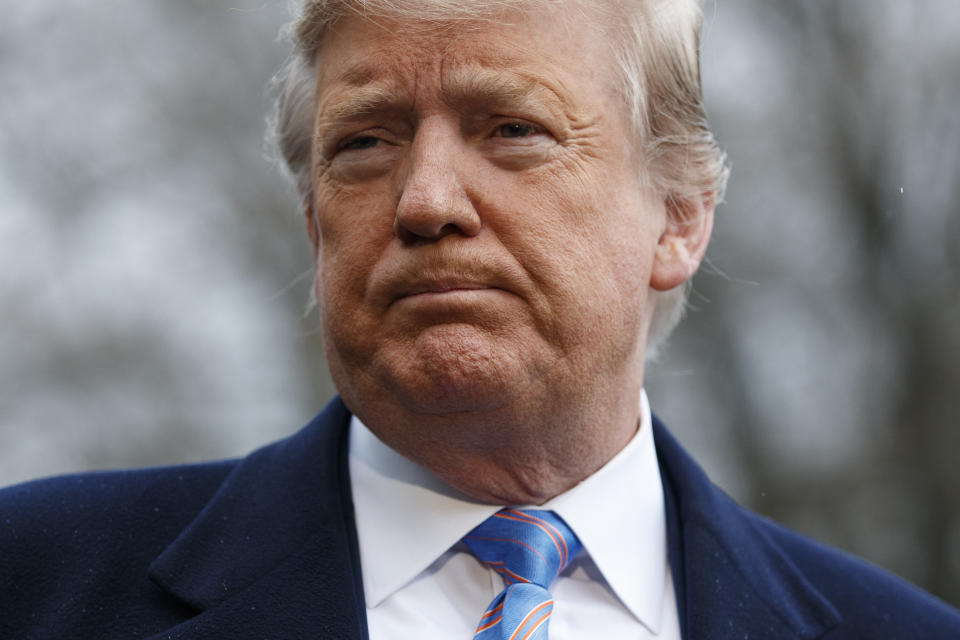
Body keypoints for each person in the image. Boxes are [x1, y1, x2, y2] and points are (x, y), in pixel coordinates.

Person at [1, 0, 958, 638]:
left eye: (511, 129)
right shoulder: (38, 585)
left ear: (678, 216)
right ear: (312, 223)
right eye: (366, 142)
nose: (424, 200)